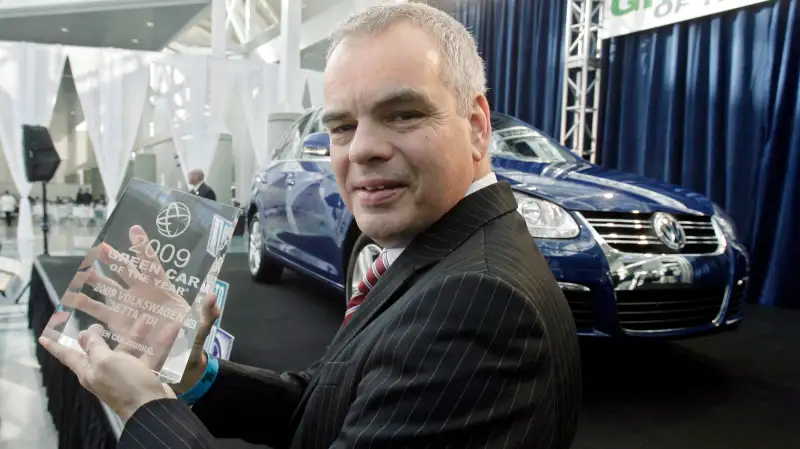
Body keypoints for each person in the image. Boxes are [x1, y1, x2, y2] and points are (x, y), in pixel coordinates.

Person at [40, 3, 582, 449]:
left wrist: (145, 408)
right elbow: (328, 401)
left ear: (476, 126)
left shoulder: (476, 300)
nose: (363, 149)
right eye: (343, 126)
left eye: (403, 114)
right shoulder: (437, 255)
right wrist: (194, 374)